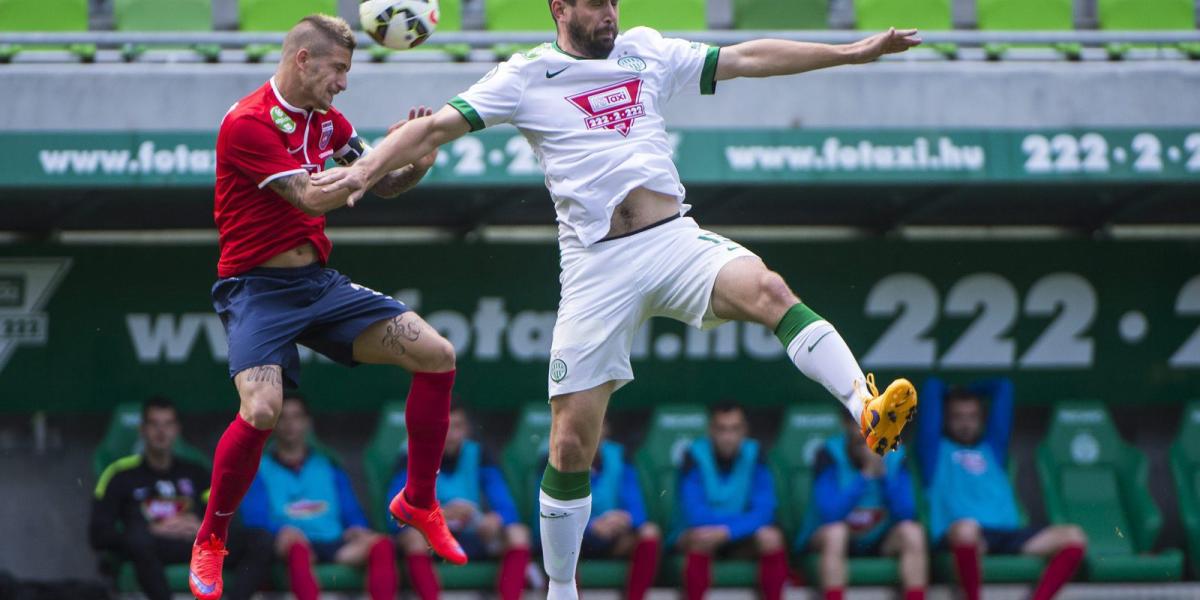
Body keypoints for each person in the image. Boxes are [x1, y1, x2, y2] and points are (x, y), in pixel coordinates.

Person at [314, 2, 921, 597]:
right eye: (596, 3)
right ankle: (560, 589)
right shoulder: (525, 75)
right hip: (596, 268)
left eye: (613, 0)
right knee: (572, 443)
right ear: (559, 9)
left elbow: (746, 56)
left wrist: (852, 51)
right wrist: (361, 173)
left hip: (673, 240)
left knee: (768, 289)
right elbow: (433, 127)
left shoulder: (646, 50)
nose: (610, 11)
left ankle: (863, 406)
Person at [191, 13, 463, 599]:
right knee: (263, 409)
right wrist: (380, 157)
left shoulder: (330, 122)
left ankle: (418, 501)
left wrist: (416, 160)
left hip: (317, 285)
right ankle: (211, 539)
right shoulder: (247, 123)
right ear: (302, 60)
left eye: (348, 71)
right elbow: (313, 194)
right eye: (338, 69)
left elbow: (377, 186)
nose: (343, 83)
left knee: (438, 354)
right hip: (256, 290)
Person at [918, 379, 1087, 600]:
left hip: (1007, 535)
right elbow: (931, 387)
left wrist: (970, 389)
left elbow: (1004, 387)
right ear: (946, 420)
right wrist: (952, 391)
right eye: (958, 417)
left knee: (1074, 536)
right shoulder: (935, 452)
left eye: (972, 417)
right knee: (966, 529)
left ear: (982, 420)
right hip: (966, 536)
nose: (965, 424)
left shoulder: (992, 450)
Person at [89, 396, 272, 600]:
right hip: (153, 548)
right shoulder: (120, 475)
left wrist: (204, 527)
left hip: (195, 544)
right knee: (138, 541)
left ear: (177, 429)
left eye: (167, 424)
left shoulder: (197, 471)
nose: (161, 432)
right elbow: (98, 534)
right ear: (142, 430)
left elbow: (225, 518)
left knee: (260, 540)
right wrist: (148, 529)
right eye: (154, 424)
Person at [241, 395, 398, 600]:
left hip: (334, 542)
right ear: (273, 424)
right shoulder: (259, 469)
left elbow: (351, 511)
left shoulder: (328, 465)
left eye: (297, 417)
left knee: (381, 544)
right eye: (283, 417)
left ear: (307, 423)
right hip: (292, 545)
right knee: (296, 549)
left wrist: (357, 528)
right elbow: (255, 521)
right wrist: (280, 531)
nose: (290, 424)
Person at [387, 402, 532, 600]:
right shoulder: (412, 456)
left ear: (466, 429)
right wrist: (439, 516)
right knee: (414, 539)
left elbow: (507, 507)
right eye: (444, 427)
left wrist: (496, 519)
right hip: (432, 540)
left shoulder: (479, 454)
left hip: (472, 534)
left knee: (518, 533)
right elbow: (396, 516)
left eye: (457, 426)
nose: (452, 435)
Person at [796, 418, 925, 600]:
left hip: (880, 539)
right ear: (846, 424)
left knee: (913, 533)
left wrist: (884, 475)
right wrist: (865, 475)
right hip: (838, 539)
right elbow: (830, 514)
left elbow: (906, 513)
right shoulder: (829, 453)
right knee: (836, 533)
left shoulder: (895, 454)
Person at [674, 403, 785, 600]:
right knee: (701, 537)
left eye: (734, 429)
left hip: (738, 537)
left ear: (745, 431)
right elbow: (695, 514)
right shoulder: (693, 455)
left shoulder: (756, 454)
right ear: (711, 430)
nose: (728, 437)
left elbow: (765, 511)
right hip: (703, 534)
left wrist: (728, 531)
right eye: (722, 429)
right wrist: (724, 530)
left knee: (771, 537)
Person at [577, 422, 660, 600]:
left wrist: (623, 519)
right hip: (577, 542)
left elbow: (638, 510)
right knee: (561, 540)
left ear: (606, 430)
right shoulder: (557, 458)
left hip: (613, 539)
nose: (592, 433)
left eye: (598, 425)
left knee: (649, 532)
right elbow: (545, 520)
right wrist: (591, 527)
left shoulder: (620, 457)